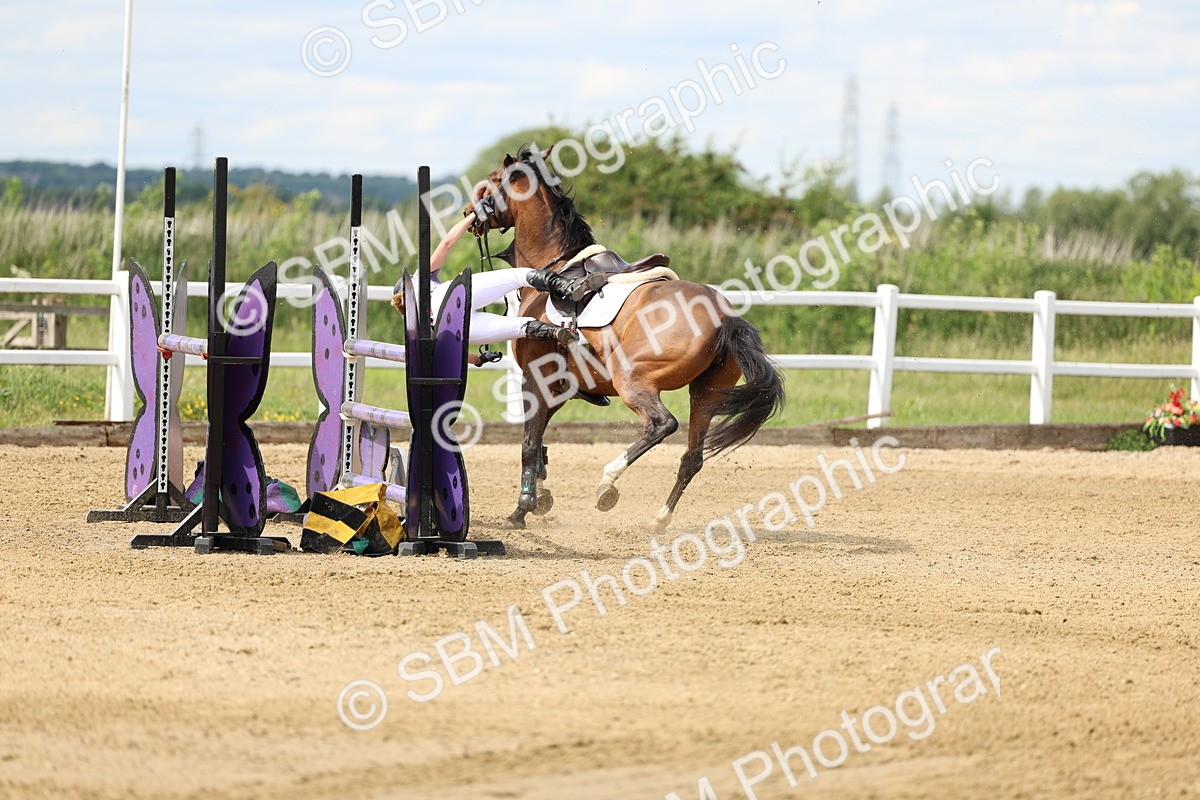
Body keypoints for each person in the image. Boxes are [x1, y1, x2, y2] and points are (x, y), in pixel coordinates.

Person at [391, 215, 605, 346]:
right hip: (448, 298)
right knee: (517, 276)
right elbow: (447, 243)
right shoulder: (419, 279)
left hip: (452, 330)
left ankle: (557, 333)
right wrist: (473, 216)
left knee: (521, 327)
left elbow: (451, 354)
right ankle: (568, 287)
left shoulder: (415, 326)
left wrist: (479, 360)